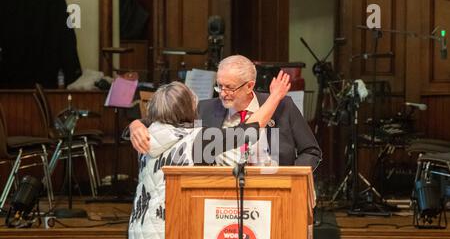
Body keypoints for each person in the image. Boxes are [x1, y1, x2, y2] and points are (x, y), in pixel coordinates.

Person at [127, 73, 291, 239]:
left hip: (142, 237)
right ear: (187, 110)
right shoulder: (196, 140)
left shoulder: (144, 137)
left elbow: (151, 122)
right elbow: (248, 130)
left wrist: (135, 122)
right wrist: (275, 97)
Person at [129, 55, 322, 168]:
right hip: (218, 198)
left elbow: (311, 151)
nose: (223, 93)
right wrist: (135, 125)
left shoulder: (282, 105)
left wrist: (292, 180)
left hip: (274, 191)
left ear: (249, 86)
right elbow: (162, 121)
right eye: (219, 86)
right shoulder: (205, 108)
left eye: (229, 87)